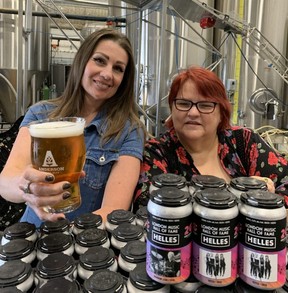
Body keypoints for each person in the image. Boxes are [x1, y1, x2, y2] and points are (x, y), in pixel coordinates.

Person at [0, 28, 146, 227]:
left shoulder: (128, 130)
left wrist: (70, 238)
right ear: (82, 61)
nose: (106, 74)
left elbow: (114, 210)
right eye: (100, 60)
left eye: (118, 68)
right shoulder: (40, 114)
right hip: (32, 239)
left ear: (124, 80)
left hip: (86, 246)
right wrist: (27, 188)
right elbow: (5, 182)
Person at [133, 66, 288, 211]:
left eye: (206, 105)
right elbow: (150, 207)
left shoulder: (244, 141)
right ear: (172, 109)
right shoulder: (156, 153)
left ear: (222, 113)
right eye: (183, 103)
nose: (193, 113)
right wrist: (249, 195)